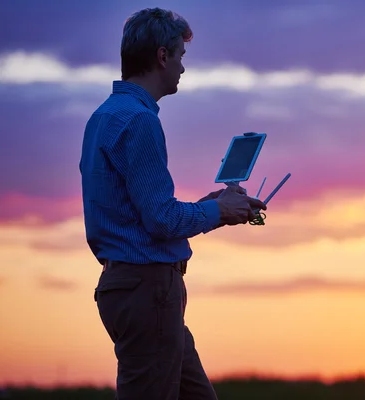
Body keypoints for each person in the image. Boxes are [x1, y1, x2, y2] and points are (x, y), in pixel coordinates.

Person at [79, 7, 266, 400]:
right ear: (162, 56)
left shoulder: (103, 116)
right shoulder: (140, 120)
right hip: (148, 291)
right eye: (181, 56)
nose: (183, 68)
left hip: (129, 289)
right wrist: (220, 211)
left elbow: (140, 213)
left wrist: (212, 206)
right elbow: (161, 220)